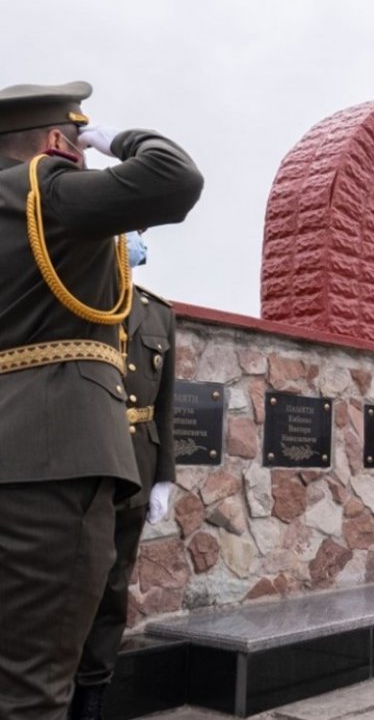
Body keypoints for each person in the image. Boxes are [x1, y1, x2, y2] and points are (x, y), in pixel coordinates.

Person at [0, 81, 202, 719]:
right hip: (57, 456)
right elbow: (174, 175)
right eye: (77, 144)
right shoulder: (43, 190)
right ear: (60, 141)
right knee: (33, 684)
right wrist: (112, 138)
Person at [70, 233, 177, 719]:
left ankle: (91, 697)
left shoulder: (159, 313)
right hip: (81, 460)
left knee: (113, 588)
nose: (128, 244)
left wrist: (164, 476)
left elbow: (166, 403)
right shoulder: (74, 295)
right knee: (67, 583)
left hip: (136, 464)